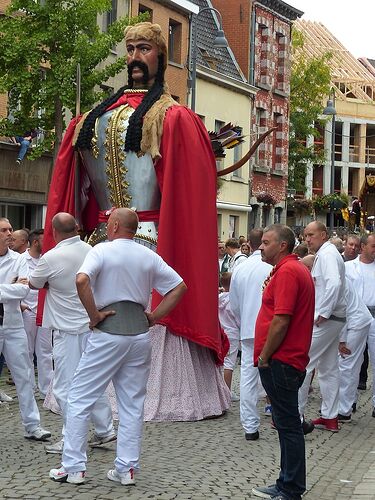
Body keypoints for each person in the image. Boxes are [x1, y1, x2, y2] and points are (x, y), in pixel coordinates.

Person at [41, 22, 230, 421]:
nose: (134, 58)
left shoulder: (171, 117)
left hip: (151, 238)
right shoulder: (93, 119)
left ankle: (136, 399)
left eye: (143, 49)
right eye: (129, 50)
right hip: (105, 237)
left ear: (159, 54)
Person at [49, 208, 187, 485]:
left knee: (79, 397)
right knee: (132, 404)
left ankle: (73, 466)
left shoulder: (101, 250)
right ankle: (125, 468)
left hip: (108, 330)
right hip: (137, 332)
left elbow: (81, 279)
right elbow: (179, 286)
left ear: (113, 225)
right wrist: (156, 316)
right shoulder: (148, 254)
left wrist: (94, 315)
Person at [29, 213, 115, 454]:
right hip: (92, 325)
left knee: (66, 387)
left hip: (68, 330)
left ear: (54, 233)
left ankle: (71, 439)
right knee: (92, 380)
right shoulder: (92, 250)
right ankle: (104, 429)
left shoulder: (51, 257)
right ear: (76, 228)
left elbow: (34, 283)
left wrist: (49, 282)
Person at [251, 224, 315, 500]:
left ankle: (291, 488)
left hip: (281, 359)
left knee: (288, 426)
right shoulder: (289, 269)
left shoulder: (289, 271)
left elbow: (282, 319)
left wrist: (265, 355)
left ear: (282, 246)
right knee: (285, 423)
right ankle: (285, 482)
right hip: (285, 358)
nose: (260, 247)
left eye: (266, 243)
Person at [0, 217, 51, 440]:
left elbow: (24, 292)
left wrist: (14, 289)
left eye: (10, 229)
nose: (9, 233)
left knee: (23, 375)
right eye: (4, 230)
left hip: (13, 326)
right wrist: (10, 288)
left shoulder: (18, 259)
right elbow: (15, 290)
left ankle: (32, 425)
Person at [299, 221, 346, 432]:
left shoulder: (327, 255)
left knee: (302, 362)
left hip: (328, 318)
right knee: (328, 368)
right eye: (305, 236)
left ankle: (294, 416)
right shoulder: (327, 253)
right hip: (334, 318)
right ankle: (330, 416)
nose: (307, 239)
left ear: (324, 235)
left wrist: (323, 313)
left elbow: (334, 283)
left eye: (312, 235)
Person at [229, 228, 272, 441]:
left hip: (248, 327)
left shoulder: (241, 268)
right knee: (276, 371)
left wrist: (243, 320)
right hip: (272, 327)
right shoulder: (272, 267)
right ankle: (280, 415)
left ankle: (250, 425)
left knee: (247, 375)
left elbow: (233, 303)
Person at [19, 229, 53, 398]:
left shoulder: (46, 259)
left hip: (44, 310)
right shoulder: (20, 260)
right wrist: (21, 304)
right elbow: (16, 283)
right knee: (27, 350)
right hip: (28, 309)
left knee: (45, 351)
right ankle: (29, 389)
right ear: (35, 242)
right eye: (43, 240)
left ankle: (46, 389)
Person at [345, 233, 375, 416]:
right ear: (363, 246)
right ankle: (347, 404)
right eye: (373, 246)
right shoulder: (348, 267)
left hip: (374, 314)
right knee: (350, 362)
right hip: (354, 316)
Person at [218, 272, 240, 399]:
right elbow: (237, 317)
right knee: (229, 363)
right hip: (232, 333)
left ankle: (220, 390)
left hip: (221, 332)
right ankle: (227, 392)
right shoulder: (233, 300)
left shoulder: (219, 298)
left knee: (221, 361)